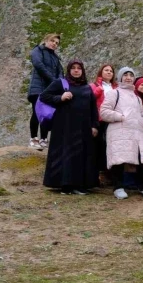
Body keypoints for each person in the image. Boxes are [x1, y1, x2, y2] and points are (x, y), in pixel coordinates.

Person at [40, 59, 98, 195]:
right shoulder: (60, 83)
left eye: (79, 68)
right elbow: (44, 96)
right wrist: (60, 97)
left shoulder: (87, 87)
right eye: (73, 68)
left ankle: (79, 185)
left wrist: (94, 125)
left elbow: (93, 108)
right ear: (69, 70)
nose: (76, 70)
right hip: (64, 128)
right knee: (66, 155)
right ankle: (65, 186)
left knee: (81, 156)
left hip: (83, 128)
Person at [100, 68, 143, 200]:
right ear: (120, 77)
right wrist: (121, 116)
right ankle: (118, 187)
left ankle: (142, 186)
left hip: (137, 133)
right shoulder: (114, 93)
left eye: (131, 75)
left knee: (142, 160)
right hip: (119, 131)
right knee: (119, 159)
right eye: (125, 75)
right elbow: (104, 111)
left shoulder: (137, 98)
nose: (128, 77)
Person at [28, 33, 64, 150]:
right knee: (36, 113)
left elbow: (60, 72)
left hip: (50, 90)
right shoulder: (37, 50)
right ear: (46, 40)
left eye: (57, 43)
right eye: (53, 41)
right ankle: (34, 138)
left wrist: (59, 83)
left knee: (47, 114)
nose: (54, 44)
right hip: (38, 88)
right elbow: (39, 65)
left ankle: (44, 139)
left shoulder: (55, 58)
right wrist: (54, 81)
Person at [89, 64, 117, 181]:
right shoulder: (93, 85)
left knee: (111, 146)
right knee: (98, 146)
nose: (109, 72)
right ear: (101, 72)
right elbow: (90, 100)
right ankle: (97, 174)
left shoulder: (116, 87)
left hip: (112, 120)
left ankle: (109, 173)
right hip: (99, 120)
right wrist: (98, 90)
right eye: (106, 70)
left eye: (111, 71)